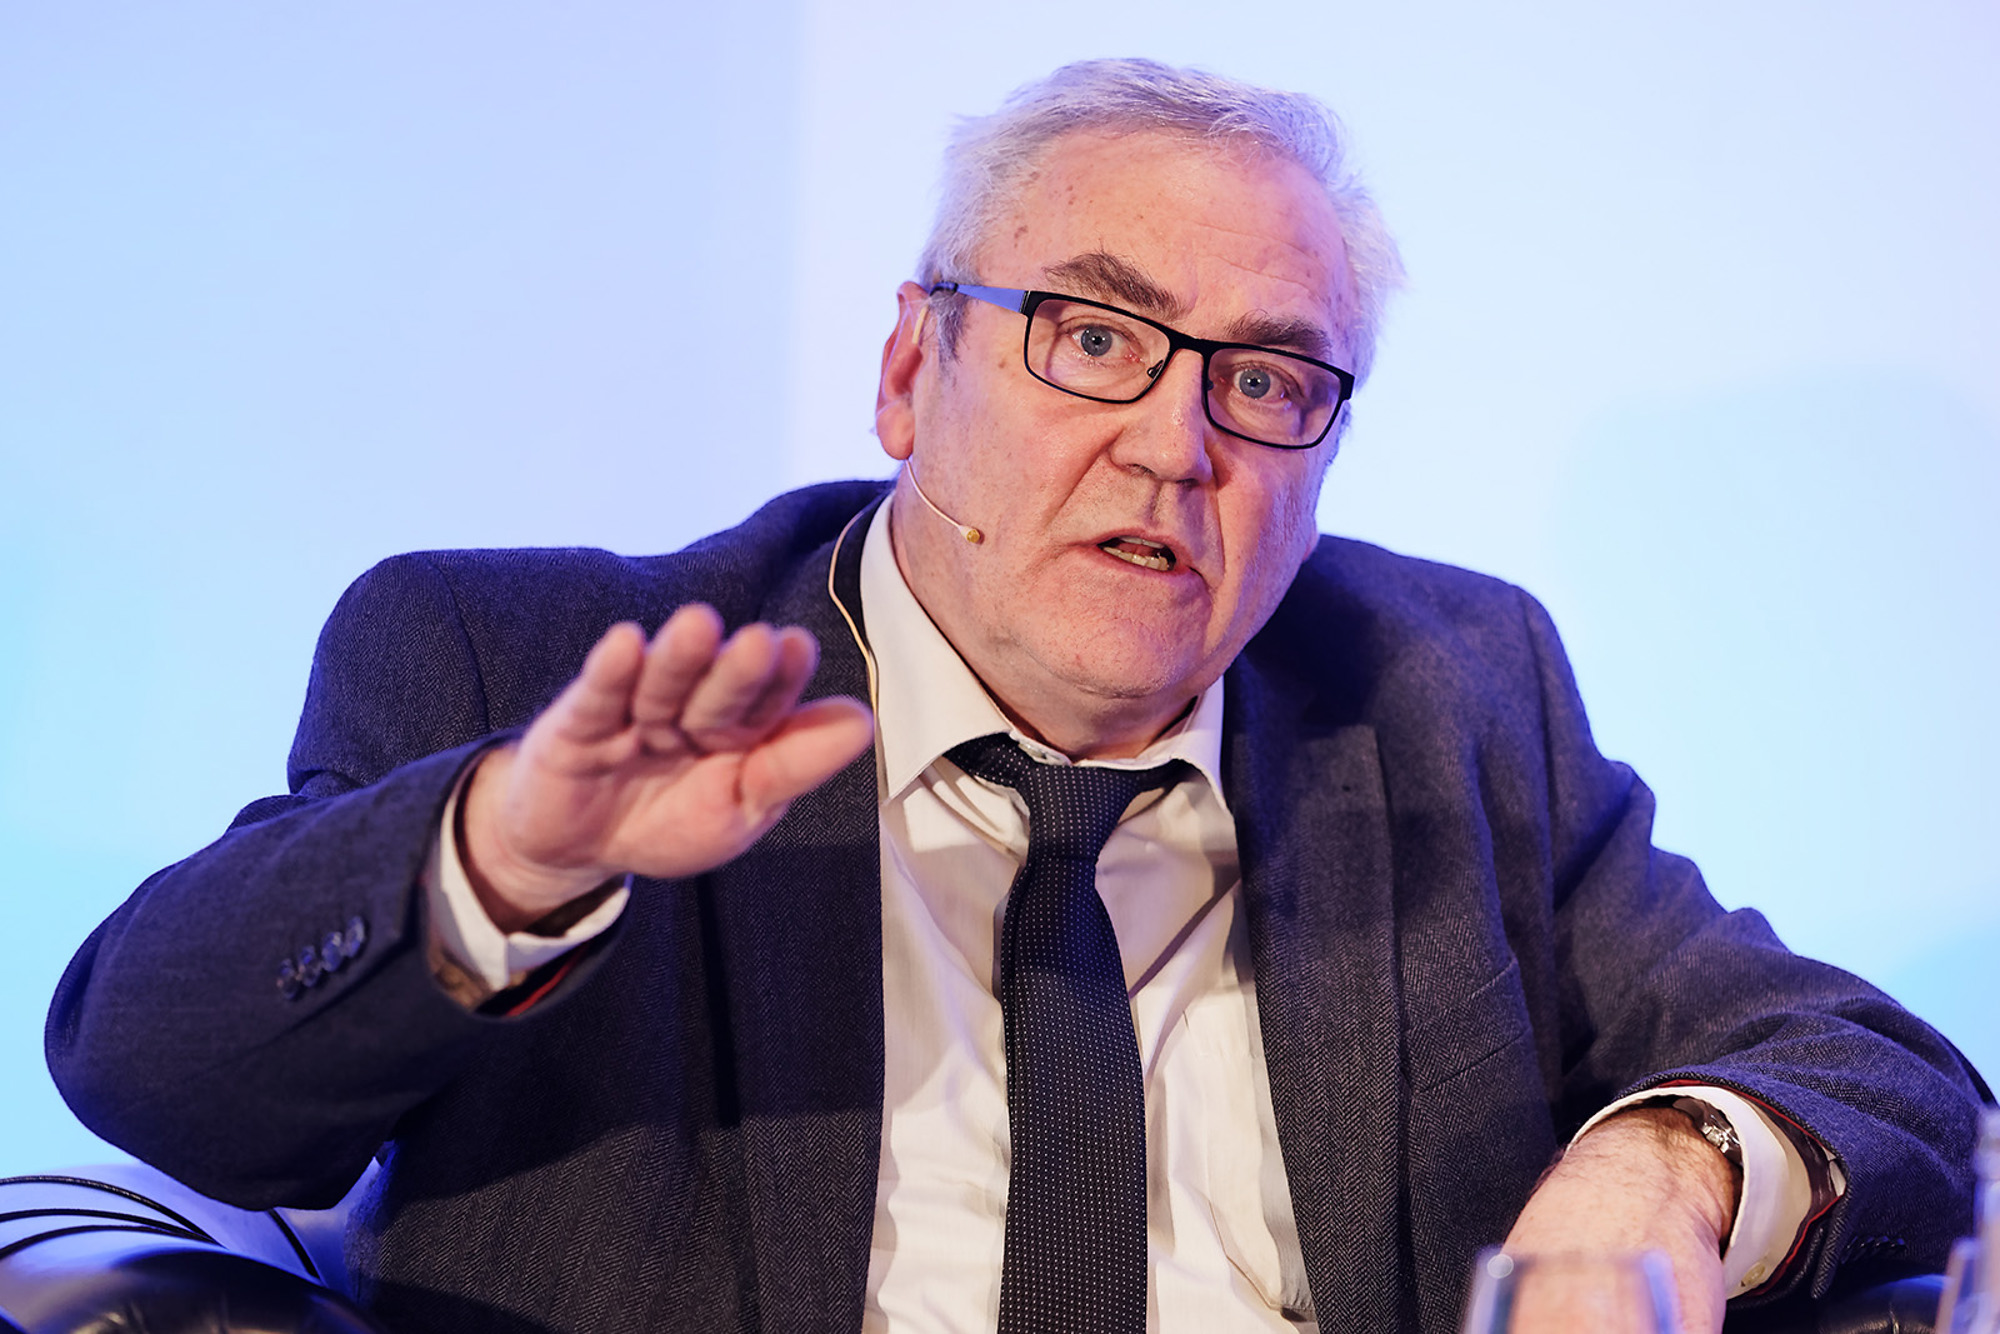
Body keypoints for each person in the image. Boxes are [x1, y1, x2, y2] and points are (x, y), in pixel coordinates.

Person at [47, 58, 1983, 1334]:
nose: (1174, 444)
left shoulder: (1442, 693)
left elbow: (1872, 1063)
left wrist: (1667, 1161)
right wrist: (498, 860)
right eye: (1094, 335)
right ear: (912, 374)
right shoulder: (538, 669)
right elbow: (157, 1076)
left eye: (1267, 379)